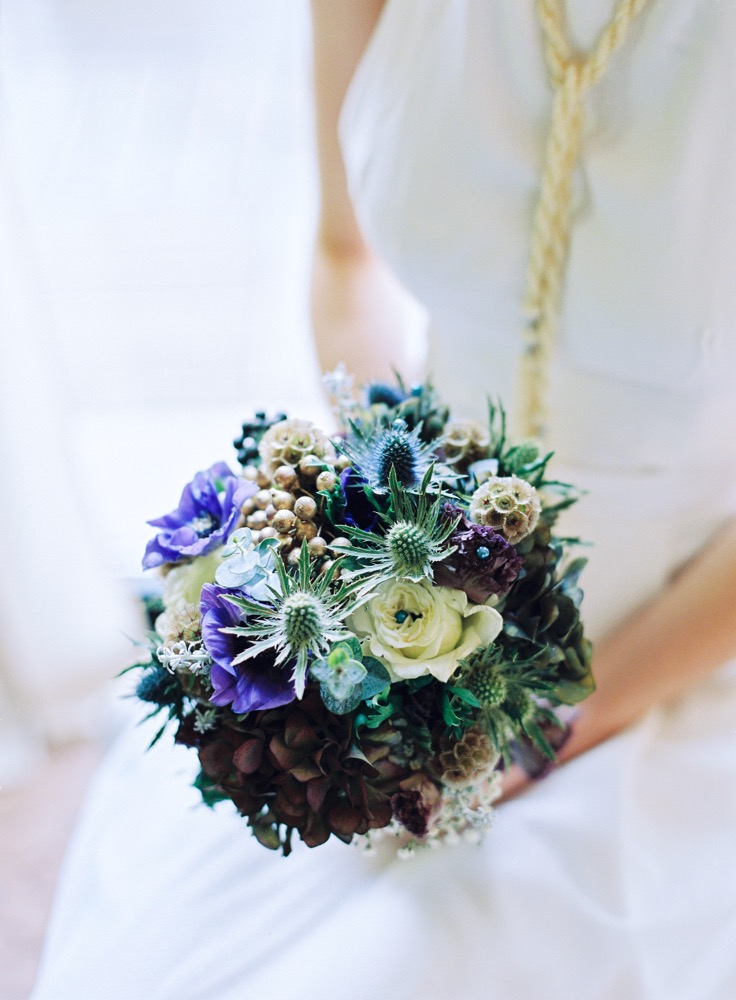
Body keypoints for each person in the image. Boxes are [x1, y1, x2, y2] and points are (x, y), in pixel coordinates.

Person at [33, 2, 736, 998]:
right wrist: (367, 511)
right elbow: (345, 257)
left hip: (678, 644)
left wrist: (550, 728)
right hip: (401, 587)